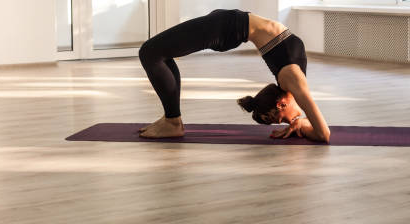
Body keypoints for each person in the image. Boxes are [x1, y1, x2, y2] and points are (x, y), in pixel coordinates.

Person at [137, 9, 331, 143]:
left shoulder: (290, 79)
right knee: (151, 53)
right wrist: (302, 122)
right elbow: (324, 134)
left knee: (151, 53)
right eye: (282, 119)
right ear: (281, 104)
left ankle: (172, 120)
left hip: (228, 25)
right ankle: (172, 121)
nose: (289, 122)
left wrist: (299, 121)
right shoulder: (294, 81)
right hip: (227, 26)